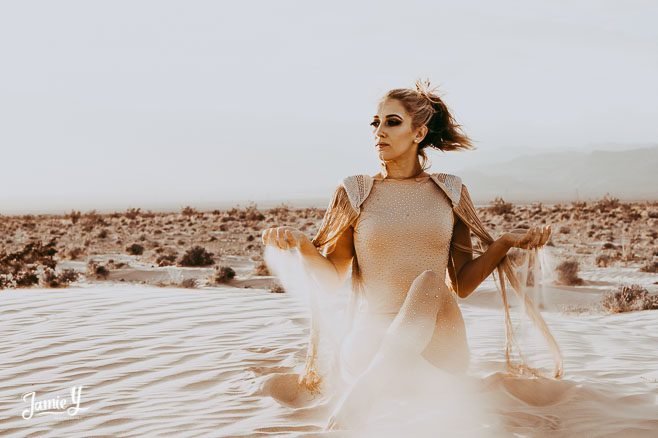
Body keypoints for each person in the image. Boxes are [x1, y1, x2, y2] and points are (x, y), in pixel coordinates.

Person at [261, 79, 563, 431]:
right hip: (370, 340)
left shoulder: (450, 191)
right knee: (419, 296)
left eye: (392, 122)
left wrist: (504, 243)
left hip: (438, 345)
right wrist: (302, 247)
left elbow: (462, 284)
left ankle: (363, 397)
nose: (379, 132)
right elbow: (332, 279)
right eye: (376, 123)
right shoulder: (355, 191)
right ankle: (372, 384)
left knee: (431, 283)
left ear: (419, 133)